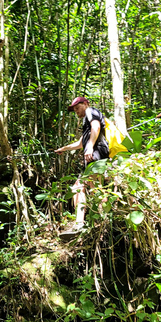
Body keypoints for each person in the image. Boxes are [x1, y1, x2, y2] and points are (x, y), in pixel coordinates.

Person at [54, 97, 110, 235]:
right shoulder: (86, 124)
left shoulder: (91, 111)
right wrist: (64, 148)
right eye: (74, 110)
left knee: (94, 186)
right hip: (93, 154)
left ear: (85, 104)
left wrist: (90, 146)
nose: (76, 112)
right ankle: (80, 223)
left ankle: (105, 221)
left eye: (77, 108)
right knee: (79, 187)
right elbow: (80, 143)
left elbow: (96, 126)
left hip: (97, 152)